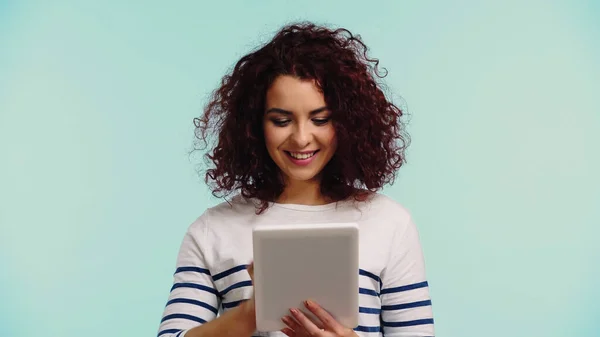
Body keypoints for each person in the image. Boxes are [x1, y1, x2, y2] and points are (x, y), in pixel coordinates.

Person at [157, 22, 435, 337]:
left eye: (320, 119)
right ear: (253, 125)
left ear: (346, 123)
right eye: (281, 120)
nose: (301, 138)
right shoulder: (212, 231)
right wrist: (251, 313)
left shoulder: (390, 223)